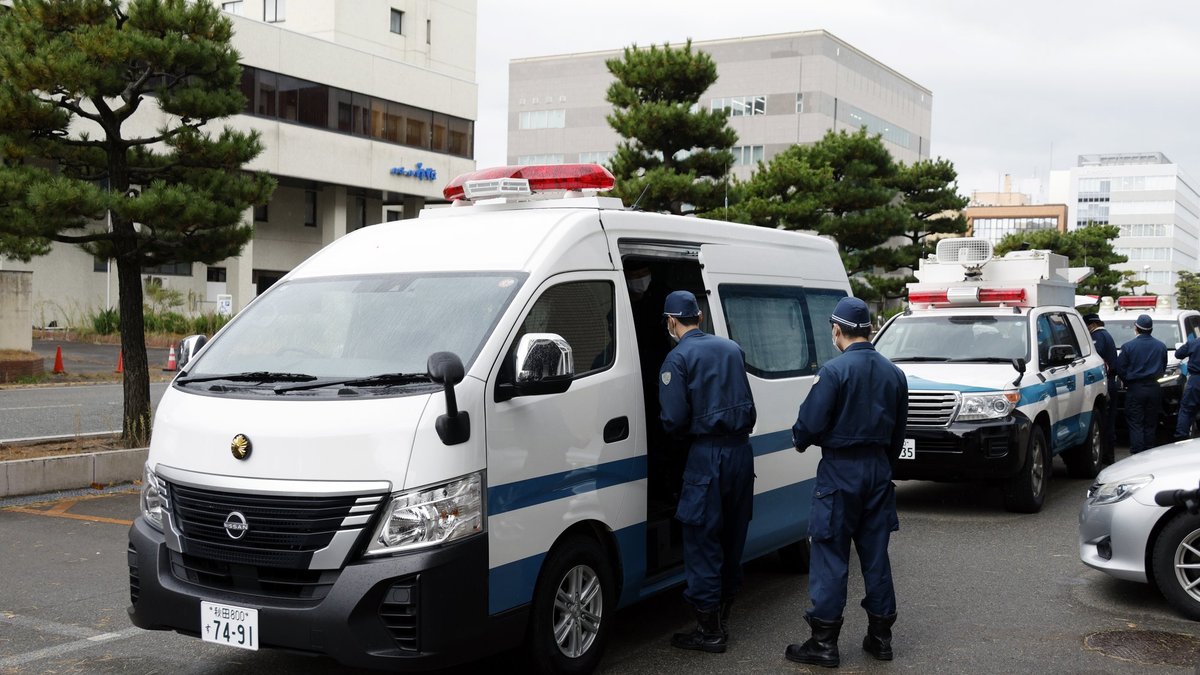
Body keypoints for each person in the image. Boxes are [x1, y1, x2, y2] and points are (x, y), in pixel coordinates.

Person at [786, 297, 908, 668]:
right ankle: (881, 637)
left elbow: (807, 425)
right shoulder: (894, 373)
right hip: (877, 471)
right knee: (875, 556)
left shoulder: (834, 372)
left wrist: (801, 439)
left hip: (840, 472)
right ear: (869, 329)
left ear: (837, 330)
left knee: (830, 554)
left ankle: (823, 643)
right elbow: (899, 432)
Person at [658, 290, 757, 654]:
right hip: (740, 454)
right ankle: (725, 615)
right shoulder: (732, 349)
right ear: (699, 316)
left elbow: (673, 420)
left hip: (706, 456)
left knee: (702, 541)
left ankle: (709, 630)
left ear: (671, 321)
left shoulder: (677, 359)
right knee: (732, 535)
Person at [1117, 313, 1167, 454]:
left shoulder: (1128, 347)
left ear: (1136, 328)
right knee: (1151, 423)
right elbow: (1163, 367)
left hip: (1135, 388)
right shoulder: (1161, 346)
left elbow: (1120, 368)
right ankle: (1149, 452)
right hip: (1154, 388)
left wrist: (1128, 381)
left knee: (1135, 423)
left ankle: (1138, 454)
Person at [1084, 313, 1120, 464]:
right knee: (1109, 421)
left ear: (1091, 325)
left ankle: (1106, 456)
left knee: (1105, 423)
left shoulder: (1098, 337)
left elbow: (1096, 359)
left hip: (1106, 383)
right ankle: (1108, 455)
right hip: (1111, 382)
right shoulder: (1107, 335)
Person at [1174, 333, 1200, 441]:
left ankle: (1182, 439)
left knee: (1187, 410)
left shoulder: (1195, 342)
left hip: (1196, 381)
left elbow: (1178, 354)